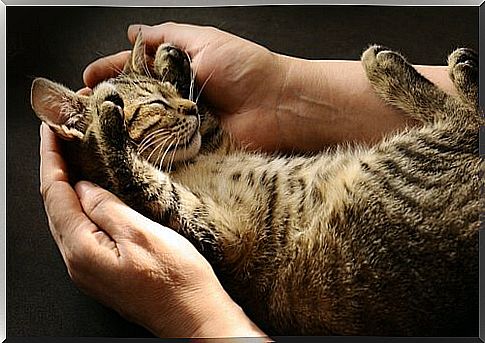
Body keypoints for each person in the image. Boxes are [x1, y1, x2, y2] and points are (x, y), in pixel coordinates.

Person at [39, 22, 456, 338]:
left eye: (179, 97)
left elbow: (206, 152)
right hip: (343, 238)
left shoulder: (183, 166)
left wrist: (195, 318)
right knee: (402, 172)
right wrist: (120, 163)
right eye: (158, 104)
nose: (186, 107)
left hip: (352, 224)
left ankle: (462, 123)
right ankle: (461, 122)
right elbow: (205, 226)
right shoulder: (164, 197)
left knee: (413, 168)